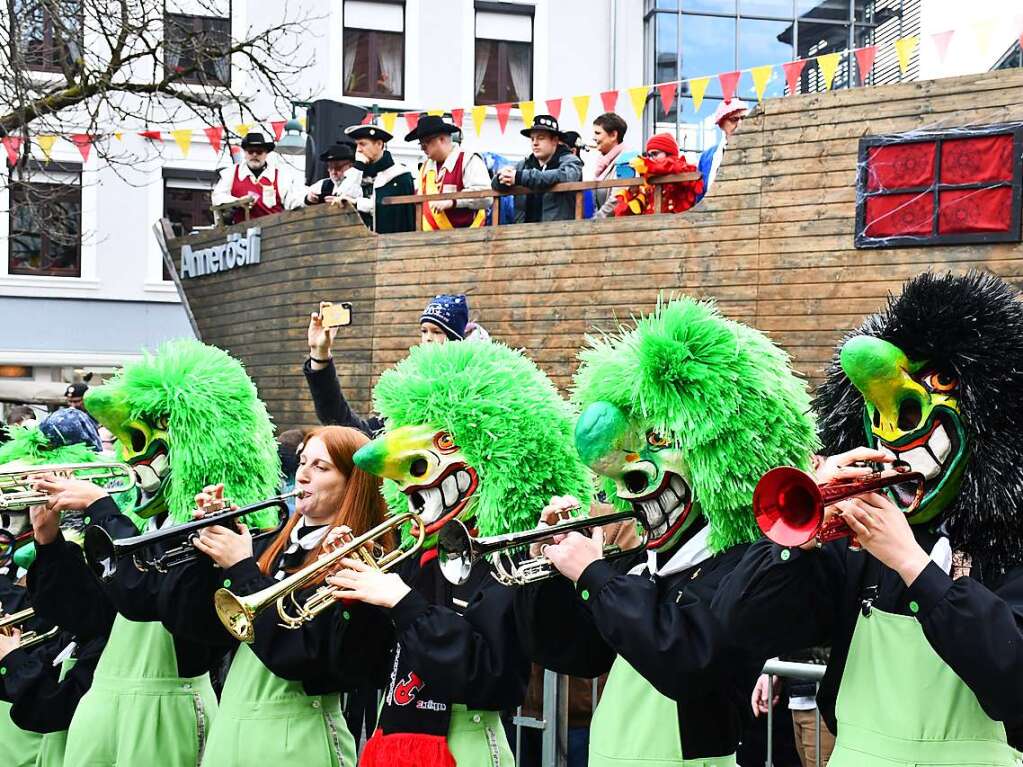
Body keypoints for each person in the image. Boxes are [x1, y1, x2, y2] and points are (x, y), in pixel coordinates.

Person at [716, 271, 1023, 766]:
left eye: (941, 380)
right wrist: (797, 541)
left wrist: (913, 567)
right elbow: (737, 622)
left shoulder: (1011, 545)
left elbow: (1013, 679)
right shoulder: (857, 544)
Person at [515, 296, 818, 766]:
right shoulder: (640, 569)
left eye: (658, 442)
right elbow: (573, 653)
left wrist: (596, 576)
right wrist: (551, 570)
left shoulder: (747, 566)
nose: (632, 487)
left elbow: (686, 658)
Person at [326, 338, 592, 767]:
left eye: (445, 440)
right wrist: (354, 595)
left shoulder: (507, 560)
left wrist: (403, 603)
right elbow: (363, 669)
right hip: (390, 740)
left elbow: (492, 677)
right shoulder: (416, 558)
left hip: (463, 748)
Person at [26, 339, 283, 767]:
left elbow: (146, 598)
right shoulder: (140, 525)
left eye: (150, 441)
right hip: (104, 698)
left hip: (167, 705)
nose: (132, 457)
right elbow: (85, 617)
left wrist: (100, 509)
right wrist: (48, 544)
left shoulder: (216, 530)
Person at [98, 425, 392, 767]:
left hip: (297, 735)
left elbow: (299, 656)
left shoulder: (356, 560)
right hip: (232, 726)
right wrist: (207, 552)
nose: (303, 475)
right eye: (302, 462)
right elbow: (198, 631)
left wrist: (241, 568)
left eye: (321, 467)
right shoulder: (269, 545)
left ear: (352, 486)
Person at [304, 294, 470, 437]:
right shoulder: (405, 390)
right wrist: (320, 354)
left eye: (437, 332)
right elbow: (355, 431)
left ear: (455, 339)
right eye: (424, 331)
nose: (427, 338)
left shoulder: (470, 388)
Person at [405, 115, 491, 230]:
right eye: (421, 144)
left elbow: (486, 197)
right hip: (429, 240)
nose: (422, 149)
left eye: (425, 143)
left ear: (441, 139)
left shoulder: (468, 160)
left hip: (465, 239)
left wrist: (453, 201)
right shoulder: (425, 167)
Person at [492, 114, 583, 223]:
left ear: (554, 140)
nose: (535, 143)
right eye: (532, 139)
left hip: (558, 234)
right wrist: (501, 179)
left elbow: (565, 176)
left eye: (541, 138)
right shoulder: (524, 165)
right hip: (523, 233)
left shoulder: (571, 161)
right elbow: (495, 185)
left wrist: (520, 177)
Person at [212, 131, 306, 224]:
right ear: (245, 153)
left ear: (266, 154)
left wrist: (307, 200)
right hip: (241, 233)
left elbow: (292, 200)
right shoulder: (231, 173)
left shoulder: (280, 175)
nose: (254, 155)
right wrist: (237, 202)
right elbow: (218, 197)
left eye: (259, 152)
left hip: (273, 232)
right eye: (251, 151)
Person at [338, 124, 415, 234]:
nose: (358, 150)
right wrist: (359, 166)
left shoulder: (399, 175)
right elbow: (342, 198)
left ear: (379, 144)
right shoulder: (357, 172)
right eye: (357, 145)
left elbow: (390, 211)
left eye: (363, 144)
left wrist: (357, 203)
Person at [612, 133, 703, 217]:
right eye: (648, 155)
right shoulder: (649, 180)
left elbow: (672, 166)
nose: (651, 159)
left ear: (670, 154)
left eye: (655, 154)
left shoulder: (682, 169)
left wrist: (647, 165)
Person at [696, 99, 749, 204]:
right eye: (734, 119)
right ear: (721, 124)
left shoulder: (760, 149)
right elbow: (700, 196)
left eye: (744, 118)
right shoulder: (707, 157)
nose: (740, 124)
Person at [590, 112, 630, 219]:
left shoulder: (627, 160)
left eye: (598, 133)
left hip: (619, 229)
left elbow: (618, 197)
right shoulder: (603, 163)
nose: (593, 138)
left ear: (613, 135)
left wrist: (596, 220)